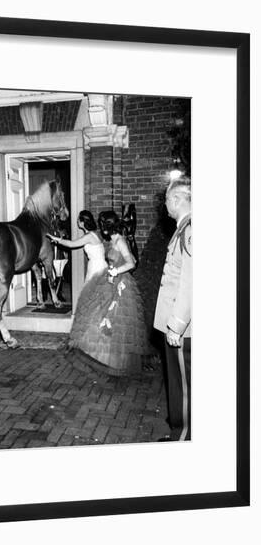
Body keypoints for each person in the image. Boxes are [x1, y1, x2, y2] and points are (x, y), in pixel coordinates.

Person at [57, 210, 152, 376]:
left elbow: (132, 263)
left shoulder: (120, 240)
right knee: (99, 315)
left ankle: (116, 362)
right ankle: (100, 355)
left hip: (121, 285)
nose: (101, 228)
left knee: (116, 321)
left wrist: (116, 271)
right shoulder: (112, 239)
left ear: (109, 224)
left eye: (103, 224)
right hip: (109, 280)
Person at [154, 178, 192, 441]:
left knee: (185, 386)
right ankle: (178, 429)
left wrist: (176, 324)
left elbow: (191, 282)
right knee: (178, 384)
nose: (165, 204)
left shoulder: (190, 230)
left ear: (177, 199)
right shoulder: (183, 229)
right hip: (178, 325)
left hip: (183, 328)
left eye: (167, 199)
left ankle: (184, 438)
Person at [47, 210, 108, 282]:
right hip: (99, 265)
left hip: (96, 267)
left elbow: (71, 244)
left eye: (78, 219)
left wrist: (57, 239)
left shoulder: (89, 236)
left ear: (83, 222)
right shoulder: (93, 233)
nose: (77, 221)